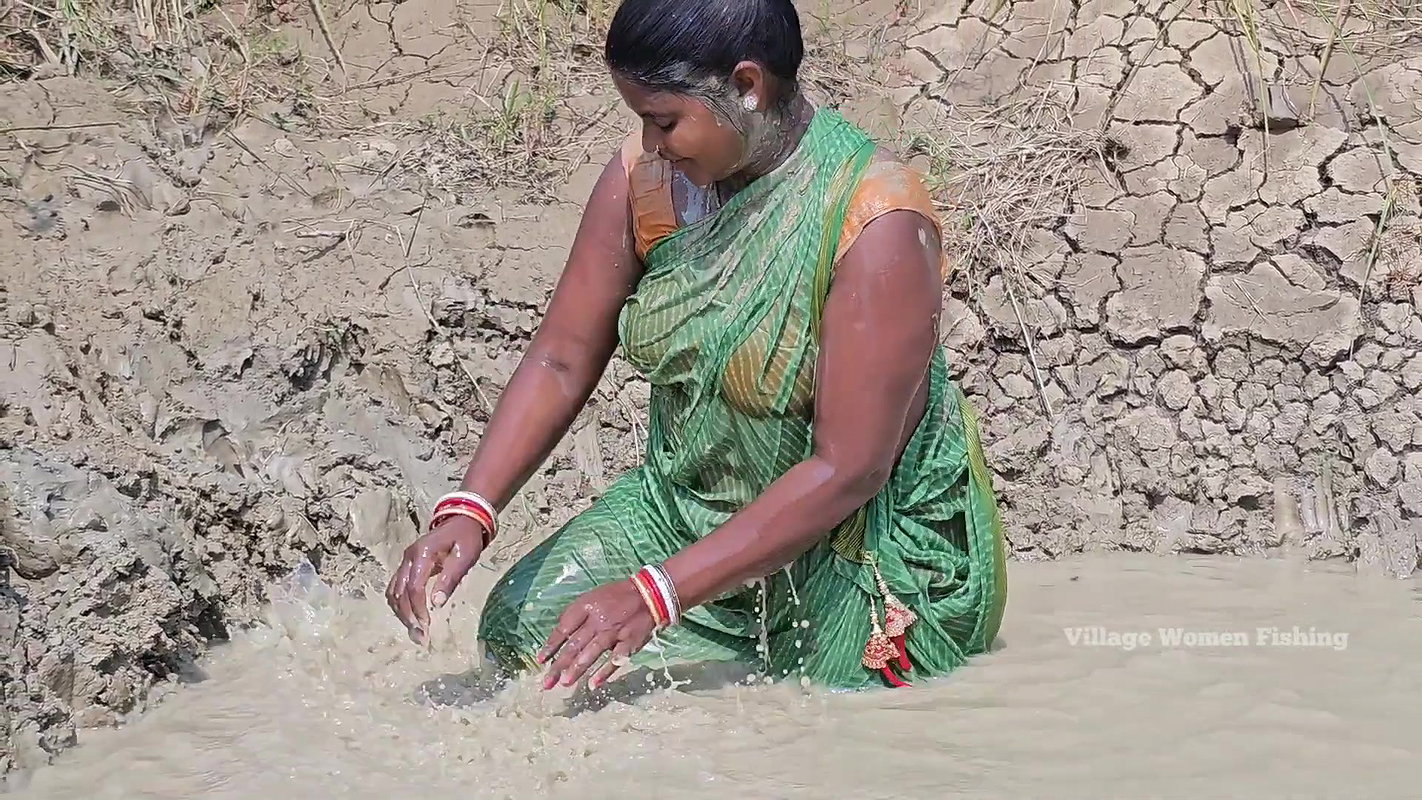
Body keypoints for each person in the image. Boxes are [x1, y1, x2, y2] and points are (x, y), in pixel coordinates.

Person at [387, 0, 1007, 693]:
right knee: (523, 639)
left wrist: (656, 595)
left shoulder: (872, 219)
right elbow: (560, 356)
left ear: (747, 85)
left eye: (665, 121)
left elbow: (849, 470)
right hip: (682, 510)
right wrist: (471, 507)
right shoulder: (649, 184)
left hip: (858, 550)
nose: (651, 146)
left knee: (831, 724)